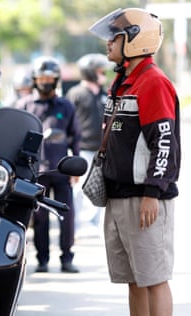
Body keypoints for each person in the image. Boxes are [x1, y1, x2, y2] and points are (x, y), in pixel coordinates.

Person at [89, 8, 181, 316]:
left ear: (135, 40)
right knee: (133, 280)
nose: (108, 44)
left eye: (114, 38)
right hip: (118, 196)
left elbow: (164, 142)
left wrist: (152, 193)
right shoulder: (123, 83)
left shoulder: (153, 82)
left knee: (154, 278)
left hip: (144, 197)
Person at [15, 56, 81, 273]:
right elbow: (15, 138)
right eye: (41, 77)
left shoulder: (66, 106)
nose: (45, 81)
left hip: (62, 170)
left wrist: (76, 165)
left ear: (56, 80)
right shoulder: (24, 105)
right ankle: (42, 259)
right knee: (40, 217)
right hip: (35, 173)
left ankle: (66, 258)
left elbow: (75, 136)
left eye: (49, 77)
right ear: (34, 79)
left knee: (66, 216)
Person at [65, 53, 112, 236]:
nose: (103, 74)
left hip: (101, 150)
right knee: (78, 189)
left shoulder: (104, 93)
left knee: (101, 187)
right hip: (82, 149)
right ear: (90, 72)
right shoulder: (76, 94)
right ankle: (73, 225)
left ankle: (94, 224)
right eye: (100, 71)